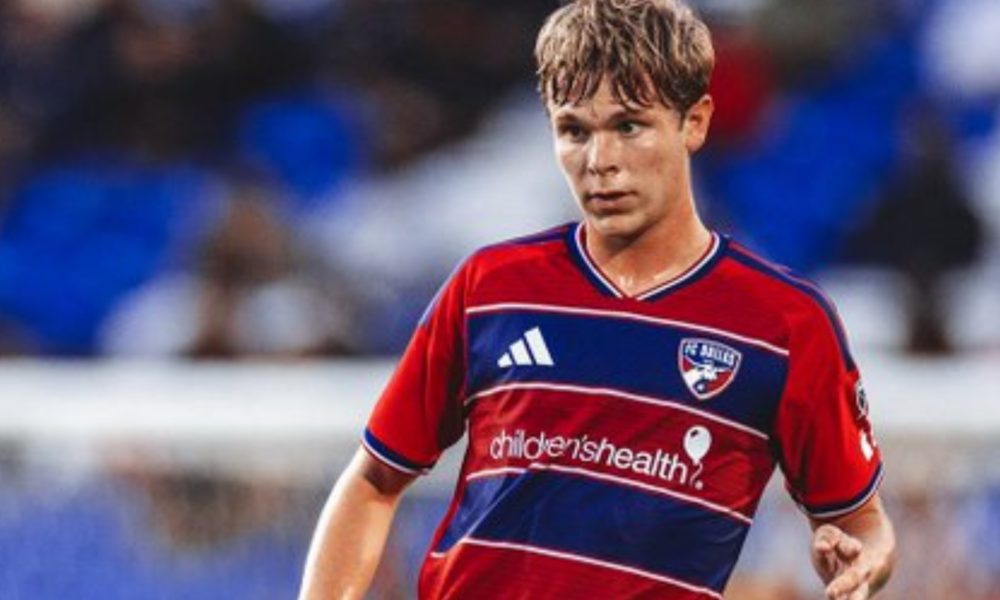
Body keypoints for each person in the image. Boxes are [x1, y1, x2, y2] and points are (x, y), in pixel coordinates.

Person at [298, 1, 897, 599]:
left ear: (694, 122)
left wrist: (859, 561)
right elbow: (374, 480)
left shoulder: (785, 322)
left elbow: (863, 525)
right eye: (573, 130)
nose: (599, 161)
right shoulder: (490, 287)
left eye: (629, 126)